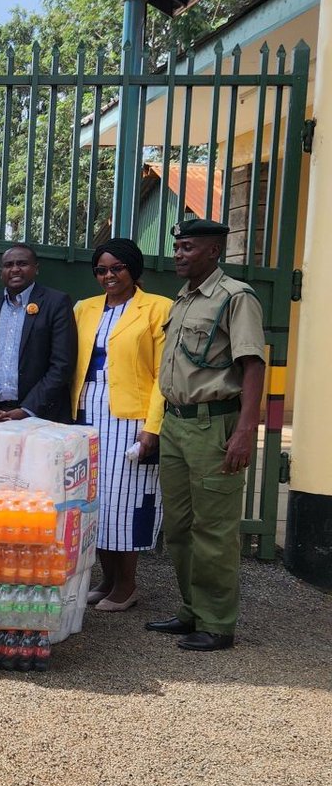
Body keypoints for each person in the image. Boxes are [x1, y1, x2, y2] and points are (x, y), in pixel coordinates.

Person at [145, 219, 266, 652]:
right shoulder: (182, 301)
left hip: (214, 425)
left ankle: (217, 623)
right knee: (178, 526)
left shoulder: (236, 298)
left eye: (188, 247)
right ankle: (192, 610)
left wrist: (246, 431)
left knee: (214, 529)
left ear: (213, 251)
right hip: (176, 423)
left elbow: (253, 365)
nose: (178, 254)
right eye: (177, 246)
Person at [71, 238, 172, 612]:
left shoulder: (158, 309)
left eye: (117, 268)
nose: (109, 276)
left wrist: (153, 427)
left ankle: (127, 585)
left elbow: (165, 373)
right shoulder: (85, 308)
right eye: (101, 270)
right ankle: (107, 579)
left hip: (131, 418)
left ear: (133, 269)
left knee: (125, 500)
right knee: (94, 500)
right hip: (87, 412)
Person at [0, 243, 77, 424]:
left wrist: (28, 409)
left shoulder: (57, 302)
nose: (15, 269)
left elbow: (62, 364)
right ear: (1, 271)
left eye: (22, 263)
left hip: (42, 417)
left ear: (36, 268)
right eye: (8, 265)